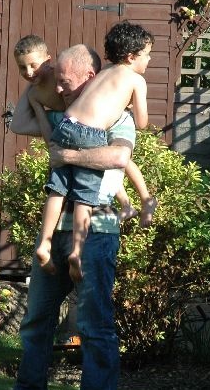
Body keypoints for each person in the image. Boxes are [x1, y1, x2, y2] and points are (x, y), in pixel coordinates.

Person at [0, 43, 134, 390]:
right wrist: (34, 89)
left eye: (65, 81)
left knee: (93, 323)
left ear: (90, 78)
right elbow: (19, 123)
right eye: (56, 81)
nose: (58, 88)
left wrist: (68, 155)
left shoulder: (117, 115)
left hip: (96, 233)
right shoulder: (63, 115)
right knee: (36, 319)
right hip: (57, 230)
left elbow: (118, 157)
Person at [29, 23, 157, 282]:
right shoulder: (136, 80)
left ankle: (44, 243)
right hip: (90, 133)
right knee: (84, 197)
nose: (149, 59)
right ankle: (76, 252)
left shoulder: (105, 70)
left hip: (67, 123)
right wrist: (128, 106)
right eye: (147, 54)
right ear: (131, 57)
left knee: (57, 190)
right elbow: (142, 123)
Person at [12, 35, 156, 231]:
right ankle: (126, 204)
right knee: (94, 162)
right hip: (70, 126)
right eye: (22, 67)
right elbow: (35, 124)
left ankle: (143, 198)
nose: (29, 72)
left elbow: (99, 89)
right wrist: (53, 145)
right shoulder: (34, 93)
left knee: (114, 156)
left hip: (92, 122)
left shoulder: (63, 72)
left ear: (47, 60)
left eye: (33, 65)